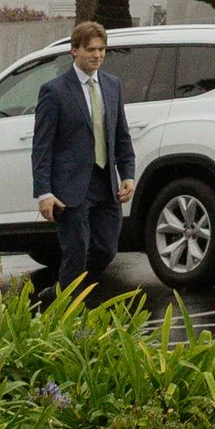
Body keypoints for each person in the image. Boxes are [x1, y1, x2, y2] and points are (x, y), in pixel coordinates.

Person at [32, 19, 136, 292]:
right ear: (74, 51)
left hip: (106, 183)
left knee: (106, 249)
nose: (97, 55)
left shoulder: (112, 85)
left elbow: (121, 135)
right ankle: (67, 316)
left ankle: (58, 294)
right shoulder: (54, 91)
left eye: (102, 49)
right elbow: (42, 146)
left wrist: (128, 174)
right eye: (91, 49)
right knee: (77, 251)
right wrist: (43, 191)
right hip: (70, 188)